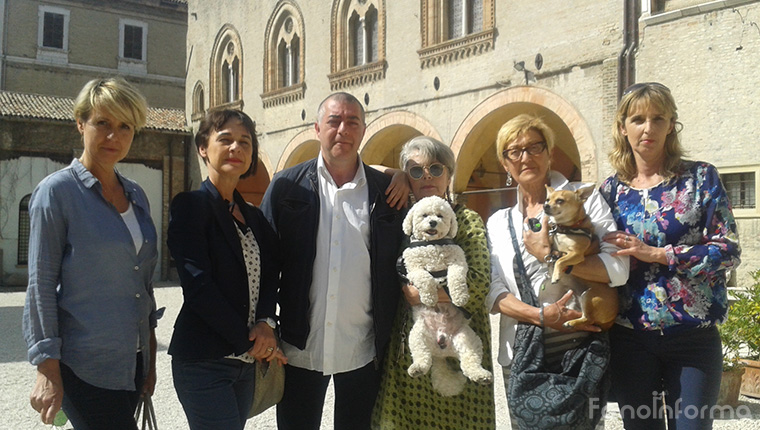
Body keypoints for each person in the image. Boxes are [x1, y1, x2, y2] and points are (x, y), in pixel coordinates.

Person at [600, 82, 741, 430]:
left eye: (658, 118)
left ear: (671, 124)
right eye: (638, 119)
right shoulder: (610, 192)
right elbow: (597, 256)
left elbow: (728, 250)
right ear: (623, 127)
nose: (648, 128)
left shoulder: (700, 178)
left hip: (692, 337)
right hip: (630, 338)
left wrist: (660, 254)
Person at [260, 92, 405, 430]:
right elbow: (264, 261)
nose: (343, 129)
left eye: (352, 121)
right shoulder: (286, 187)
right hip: (300, 347)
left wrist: (402, 175)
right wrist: (265, 320)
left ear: (363, 130)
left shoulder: (386, 191)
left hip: (363, 349)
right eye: (334, 121)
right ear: (317, 128)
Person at [23, 77, 159, 429]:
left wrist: (151, 359)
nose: (114, 136)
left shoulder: (137, 196)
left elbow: (142, 285)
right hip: (84, 366)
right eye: (103, 123)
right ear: (80, 123)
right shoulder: (57, 193)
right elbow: (40, 284)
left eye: (125, 126)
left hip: (134, 363)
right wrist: (47, 369)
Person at [486, 114, 630, 428]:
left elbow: (618, 270)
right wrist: (538, 315)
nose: (526, 156)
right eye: (514, 151)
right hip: (522, 352)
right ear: (505, 163)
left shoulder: (584, 200)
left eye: (535, 147)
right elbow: (493, 291)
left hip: (579, 347)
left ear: (550, 152)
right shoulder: (498, 222)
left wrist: (551, 254)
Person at [167, 109, 284, 429]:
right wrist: (252, 342)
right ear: (203, 147)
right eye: (226, 139)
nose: (237, 148)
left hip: (245, 367)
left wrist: (265, 322)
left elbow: (271, 273)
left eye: (245, 142)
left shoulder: (256, 219)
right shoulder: (191, 207)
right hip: (205, 360)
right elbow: (198, 286)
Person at [371, 136, 496, 429]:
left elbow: (478, 281)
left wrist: (424, 293)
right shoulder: (406, 218)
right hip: (410, 345)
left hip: (460, 337)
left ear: (449, 175)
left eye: (436, 169)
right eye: (416, 171)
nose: (426, 175)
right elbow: (360, 168)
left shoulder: (466, 220)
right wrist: (395, 174)